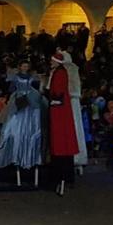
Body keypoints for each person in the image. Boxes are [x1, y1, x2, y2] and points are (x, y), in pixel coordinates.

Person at [0, 60, 45, 185]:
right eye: (23, 65)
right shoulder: (15, 77)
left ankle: (29, 156)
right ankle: (15, 155)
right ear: (20, 66)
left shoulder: (32, 77)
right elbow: (11, 87)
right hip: (19, 103)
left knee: (32, 126)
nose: (25, 67)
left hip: (30, 103)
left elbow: (40, 83)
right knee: (12, 127)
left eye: (27, 65)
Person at [48, 52, 81, 197]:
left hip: (59, 110)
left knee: (60, 142)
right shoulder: (63, 71)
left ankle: (60, 177)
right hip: (62, 109)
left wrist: (54, 100)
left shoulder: (59, 73)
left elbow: (58, 91)